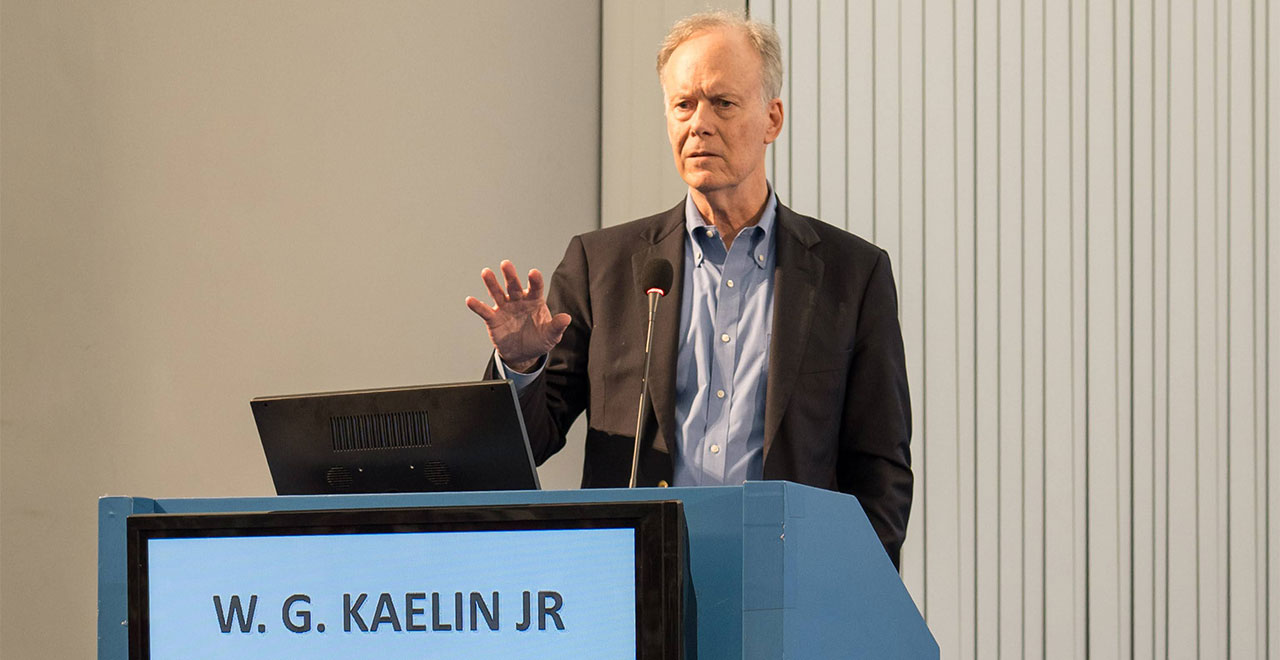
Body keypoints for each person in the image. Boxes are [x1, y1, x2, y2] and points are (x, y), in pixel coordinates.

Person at [465, 11, 912, 567]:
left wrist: (847, 587)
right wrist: (520, 367)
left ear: (772, 118)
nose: (699, 124)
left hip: (784, 583)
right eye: (683, 105)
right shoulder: (602, 265)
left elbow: (881, 471)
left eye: (722, 103)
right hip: (634, 578)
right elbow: (526, 445)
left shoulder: (852, 275)